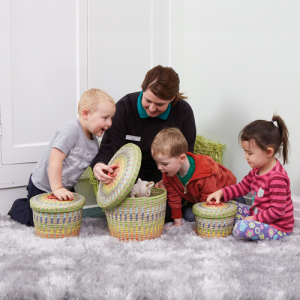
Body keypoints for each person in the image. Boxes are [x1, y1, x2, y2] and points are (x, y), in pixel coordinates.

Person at [90, 65, 197, 222]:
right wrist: (99, 165)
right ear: (142, 89)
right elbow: (109, 148)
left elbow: (186, 156)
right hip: (128, 176)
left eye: (160, 104)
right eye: (148, 100)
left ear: (172, 98)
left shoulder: (183, 112)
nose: (152, 109)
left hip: (165, 175)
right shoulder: (125, 107)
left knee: (161, 214)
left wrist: (169, 182)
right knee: (126, 213)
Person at [8, 89, 116, 226]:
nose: (110, 123)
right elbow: (55, 159)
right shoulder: (71, 131)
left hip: (66, 187)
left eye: (111, 118)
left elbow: (90, 164)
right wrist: (57, 188)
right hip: (43, 185)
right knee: (36, 221)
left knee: (66, 220)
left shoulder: (94, 143)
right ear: (86, 114)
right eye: (105, 118)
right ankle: (18, 206)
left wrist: (104, 170)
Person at [207, 115, 294, 240]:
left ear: (269, 152)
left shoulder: (277, 178)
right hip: (258, 214)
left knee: (240, 228)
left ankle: (244, 224)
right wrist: (221, 192)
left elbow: (277, 211)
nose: (245, 156)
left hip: (277, 226)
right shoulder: (257, 169)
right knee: (230, 206)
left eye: (250, 153)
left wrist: (254, 219)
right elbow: (242, 187)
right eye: (245, 152)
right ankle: (244, 221)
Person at [151, 127, 241, 227]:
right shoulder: (168, 173)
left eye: (164, 164)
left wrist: (202, 225)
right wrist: (177, 223)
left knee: (235, 211)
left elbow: (208, 198)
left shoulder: (204, 172)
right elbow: (173, 198)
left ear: (182, 159)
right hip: (200, 199)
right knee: (189, 216)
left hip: (229, 194)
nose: (159, 168)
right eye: (157, 163)